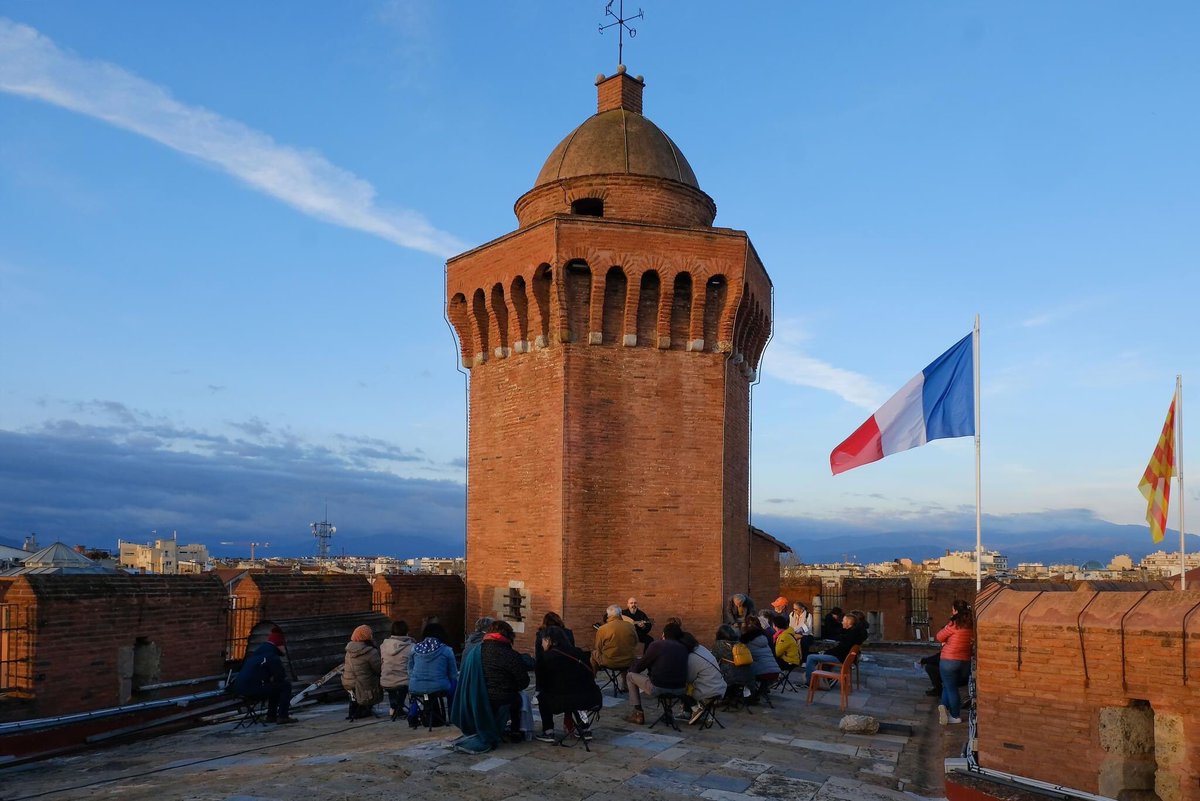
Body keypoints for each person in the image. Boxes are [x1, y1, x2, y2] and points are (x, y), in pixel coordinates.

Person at [534, 625, 602, 742]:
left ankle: (548, 731)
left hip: (560, 701)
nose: (541, 644)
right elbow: (590, 675)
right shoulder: (579, 653)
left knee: (542, 697)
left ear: (549, 640)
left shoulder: (545, 657)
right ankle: (585, 728)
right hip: (590, 699)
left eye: (543, 640)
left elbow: (542, 683)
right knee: (577, 695)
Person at [625, 621, 688, 725]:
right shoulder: (683, 648)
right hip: (680, 690)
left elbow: (641, 665)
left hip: (659, 687)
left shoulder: (657, 645)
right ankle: (668, 712)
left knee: (630, 676)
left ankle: (638, 713)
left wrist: (632, 668)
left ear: (664, 634)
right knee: (667, 676)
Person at [479, 620, 531, 740]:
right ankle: (515, 730)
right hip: (504, 697)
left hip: (480, 695)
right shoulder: (511, 654)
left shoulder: (477, 651)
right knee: (518, 699)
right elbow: (524, 681)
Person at [234, 628, 295, 724]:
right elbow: (280, 675)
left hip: (239, 689)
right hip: (251, 690)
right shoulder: (271, 655)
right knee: (285, 686)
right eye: (284, 646)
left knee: (275, 687)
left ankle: (271, 716)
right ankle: (283, 716)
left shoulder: (259, 652)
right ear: (278, 644)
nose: (284, 649)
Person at [407, 622, 457, 726]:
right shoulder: (447, 650)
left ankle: (413, 713)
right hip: (439, 686)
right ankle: (453, 715)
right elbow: (453, 673)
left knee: (417, 692)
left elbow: (410, 669)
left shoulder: (414, 649)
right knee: (454, 686)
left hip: (415, 687)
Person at [803, 610, 868, 687]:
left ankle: (810, 683)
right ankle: (824, 679)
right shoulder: (852, 633)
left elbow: (841, 649)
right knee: (818, 656)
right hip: (843, 657)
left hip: (840, 658)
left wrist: (826, 652)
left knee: (810, 657)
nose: (842, 622)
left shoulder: (850, 635)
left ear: (848, 622)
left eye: (843, 621)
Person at [936, 600, 974, 725]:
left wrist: (946, 630)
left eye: (953, 609)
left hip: (949, 660)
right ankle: (944, 706)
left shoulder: (953, 624)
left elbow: (939, 637)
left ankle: (955, 716)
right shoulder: (971, 624)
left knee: (951, 688)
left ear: (956, 610)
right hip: (965, 661)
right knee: (949, 685)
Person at [679, 630, 726, 724]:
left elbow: (689, 678)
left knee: (680, 688)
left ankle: (694, 709)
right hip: (720, 686)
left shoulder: (691, 657)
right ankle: (690, 712)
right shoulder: (701, 648)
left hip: (708, 690)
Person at [343, 624, 383, 720]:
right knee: (375, 679)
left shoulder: (348, 651)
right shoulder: (371, 651)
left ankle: (354, 711)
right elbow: (379, 669)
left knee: (360, 680)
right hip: (364, 684)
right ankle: (366, 708)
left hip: (348, 682)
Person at [592, 604, 638, 686]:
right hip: (628, 661)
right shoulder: (630, 626)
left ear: (608, 615)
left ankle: (592, 680)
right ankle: (625, 684)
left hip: (610, 662)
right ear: (620, 614)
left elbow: (598, 647)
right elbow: (636, 642)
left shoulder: (602, 629)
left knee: (593, 654)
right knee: (624, 652)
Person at [380, 620, 416, 720]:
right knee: (403, 682)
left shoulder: (384, 645)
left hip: (386, 680)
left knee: (392, 682)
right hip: (403, 681)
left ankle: (394, 707)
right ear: (406, 631)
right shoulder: (411, 647)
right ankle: (398, 708)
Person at [741, 616, 778, 702]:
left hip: (763, 673)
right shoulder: (764, 638)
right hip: (774, 671)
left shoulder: (748, 641)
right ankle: (759, 693)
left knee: (742, 671)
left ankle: (750, 696)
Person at [712, 624, 754, 697]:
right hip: (747, 676)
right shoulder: (740, 644)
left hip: (730, 678)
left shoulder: (719, 645)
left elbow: (714, 660)